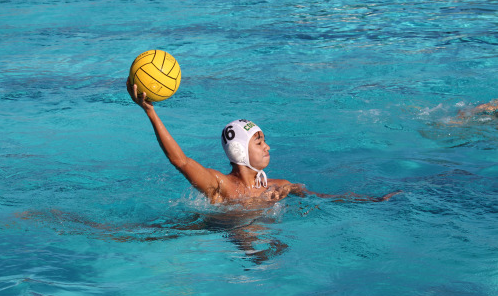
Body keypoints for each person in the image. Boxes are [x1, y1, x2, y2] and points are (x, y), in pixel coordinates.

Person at [127, 81, 399, 207]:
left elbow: (324, 199)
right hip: (220, 234)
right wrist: (150, 112)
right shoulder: (219, 186)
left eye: (265, 141)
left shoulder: (278, 186)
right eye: (259, 141)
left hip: (254, 242)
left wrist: (372, 200)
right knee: (250, 243)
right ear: (240, 150)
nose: (268, 147)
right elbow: (181, 161)